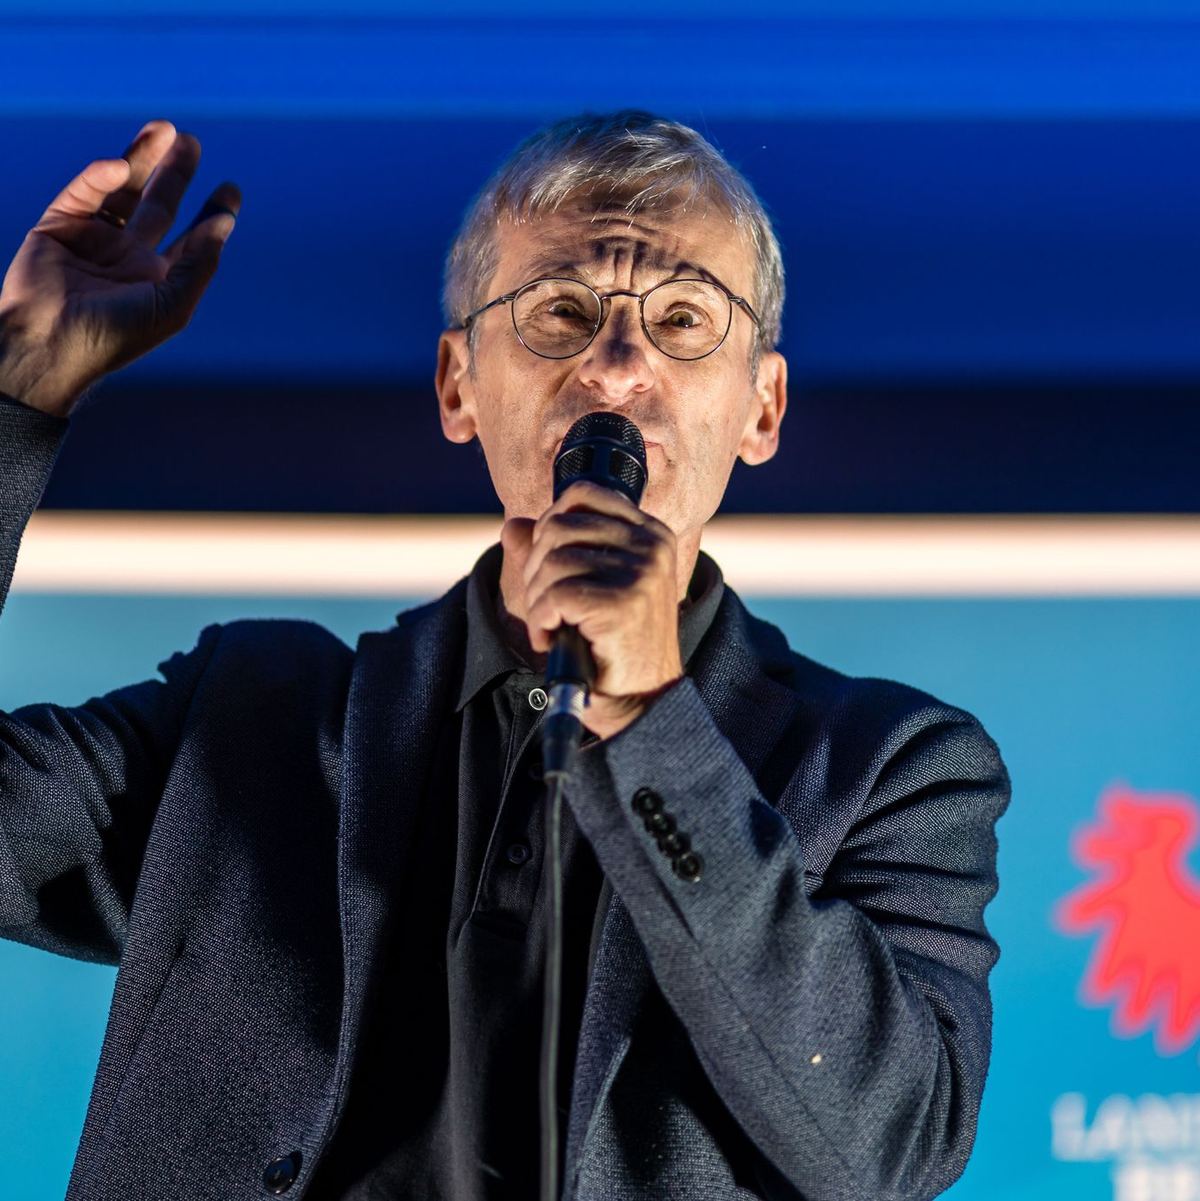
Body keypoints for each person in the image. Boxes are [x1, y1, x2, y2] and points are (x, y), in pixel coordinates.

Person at [0, 112, 1010, 1200]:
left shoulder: (894, 769)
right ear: (457, 386)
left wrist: (648, 718)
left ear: (760, 407)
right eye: (562, 313)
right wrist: (14, 399)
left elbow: (889, 1145)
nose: (618, 368)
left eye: (682, 320)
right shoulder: (243, 720)